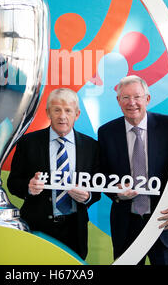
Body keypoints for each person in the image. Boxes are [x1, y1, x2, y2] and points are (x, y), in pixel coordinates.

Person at [97, 75, 168, 265]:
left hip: (165, 222)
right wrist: (116, 192)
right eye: (125, 97)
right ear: (118, 101)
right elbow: (103, 173)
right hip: (126, 226)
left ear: (147, 99)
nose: (132, 103)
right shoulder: (106, 132)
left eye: (137, 96)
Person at [7, 88, 100, 260]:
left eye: (68, 110)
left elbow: (97, 189)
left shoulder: (91, 147)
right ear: (48, 112)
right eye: (56, 109)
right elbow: (13, 183)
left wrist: (87, 196)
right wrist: (28, 187)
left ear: (77, 114)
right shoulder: (28, 143)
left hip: (75, 230)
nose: (62, 116)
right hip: (37, 226)